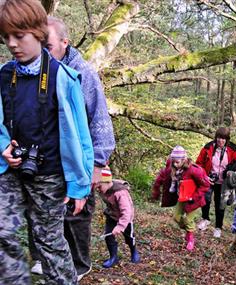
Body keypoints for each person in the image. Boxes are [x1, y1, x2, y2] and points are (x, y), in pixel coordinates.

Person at [0, 0, 94, 284]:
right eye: (6, 37)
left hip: (50, 174)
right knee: (3, 232)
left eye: (20, 36)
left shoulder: (63, 77)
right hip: (10, 170)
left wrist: (80, 185)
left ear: (39, 33)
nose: (12, 44)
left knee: (48, 242)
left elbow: (81, 135)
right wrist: (3, 146)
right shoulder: (4, 75)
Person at [28, 16, 116, 281]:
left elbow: (100, 119)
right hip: (46, 161)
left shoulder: (83, 73)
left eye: (49, 45)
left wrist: (97, 165)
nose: (44, 51)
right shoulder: (32, 71)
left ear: (65, 43)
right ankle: (46, 260)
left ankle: (79, 264)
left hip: (80, 159)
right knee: (45, 213)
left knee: (76, 215)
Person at [196, 127, 236, 238]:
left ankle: (218, 228)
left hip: (223, 182)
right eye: (219, 138)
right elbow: (199, 163)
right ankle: (205, 219)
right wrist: (204, 176)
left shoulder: (233, 149)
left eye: (224, 139)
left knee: (220, 205)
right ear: (216, 138)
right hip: (209, 179)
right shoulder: (208, 147)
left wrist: (230, 170)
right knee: (205, 199)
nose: (221, 141)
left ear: (227, 139)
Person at [95, 166, 141, 268]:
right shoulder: (104, 190)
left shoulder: (120, 193)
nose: (98, 189)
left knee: (129, 236)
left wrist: (120, 226)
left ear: (107, 182)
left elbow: (126, 212)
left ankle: (134, 251)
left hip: (126, 219)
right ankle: (113, 257)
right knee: (108, 236)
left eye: (99, 186)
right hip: (112, 216)